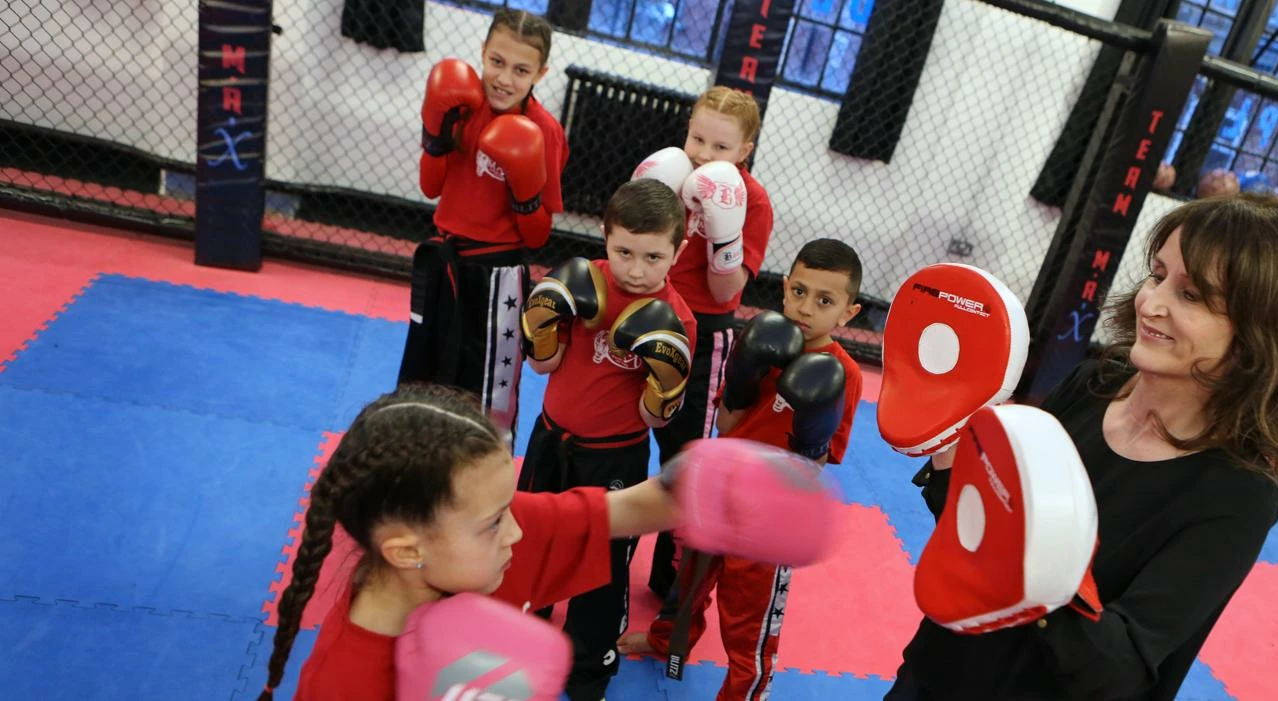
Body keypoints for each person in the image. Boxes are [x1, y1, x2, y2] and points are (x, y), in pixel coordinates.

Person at [889, 194, 1278, 701]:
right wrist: (948, 437)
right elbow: (968, 534)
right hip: (938, 672)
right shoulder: (1092, 384)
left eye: (1191, 295)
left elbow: (1116, 667)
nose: (1152, 302)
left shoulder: (1238, 495)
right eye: (1158, 273)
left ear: (1260, 332)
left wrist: (1036, 559)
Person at [257, 384, 675, 701]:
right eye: (495, 521)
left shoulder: (495, 536)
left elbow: (624, 510)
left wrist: (710, 483)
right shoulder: (342, 682)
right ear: (408, 551)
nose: (515, 530)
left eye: (508, 506)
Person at [618, 238, 865, 699]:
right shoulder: (759, 339)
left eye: (825, 301)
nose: (805, 308)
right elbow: (727, 421)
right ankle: (664, 642)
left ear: (848, 313)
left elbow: (820, 462)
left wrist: (808, 429)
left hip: (773, 513)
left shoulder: (842, 373)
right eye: (799, 292)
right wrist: (742, 378)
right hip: (720, 487)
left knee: (748, 618)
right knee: (686, 575)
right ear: (785, 287)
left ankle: (744, 691)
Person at [517, 178, 698, 701]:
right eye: (623, 252)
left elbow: (655, 420)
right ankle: (523, 626)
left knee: (601, 567)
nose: (636, 270)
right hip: (551, 435)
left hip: (615, 454)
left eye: (652, 257)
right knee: (529, 537)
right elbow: (542, 364)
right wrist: (540, 325)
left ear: (677, 252)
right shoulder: (580, 281)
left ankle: (588, 671)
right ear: (604, 236)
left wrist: (664, 385)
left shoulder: (678, 318)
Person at [633, 86, 778, 598]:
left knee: (686, 455)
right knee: (623, 441)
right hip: (643, 318)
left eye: (719, 147)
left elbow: (726, 291)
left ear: (744, 151)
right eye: (697, 138)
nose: (702, 154)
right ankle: (607, 556)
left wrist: (723, 232)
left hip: (704, 332)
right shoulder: (668, 176)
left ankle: (671, 583)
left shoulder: (752, 201)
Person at [398, 8, 567, 441]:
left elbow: (538, 236)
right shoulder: (459, 103)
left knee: (487, 397)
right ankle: (418, 476)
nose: (505, 79)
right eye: (497, 62)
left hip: (498, 280)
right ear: (482, 53)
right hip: (443, 263)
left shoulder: (543, 131)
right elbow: (430, 187)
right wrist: (436, 137)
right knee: (422, 378)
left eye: (521, 69)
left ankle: (484, 491)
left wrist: (524, 192)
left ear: (540, 73)